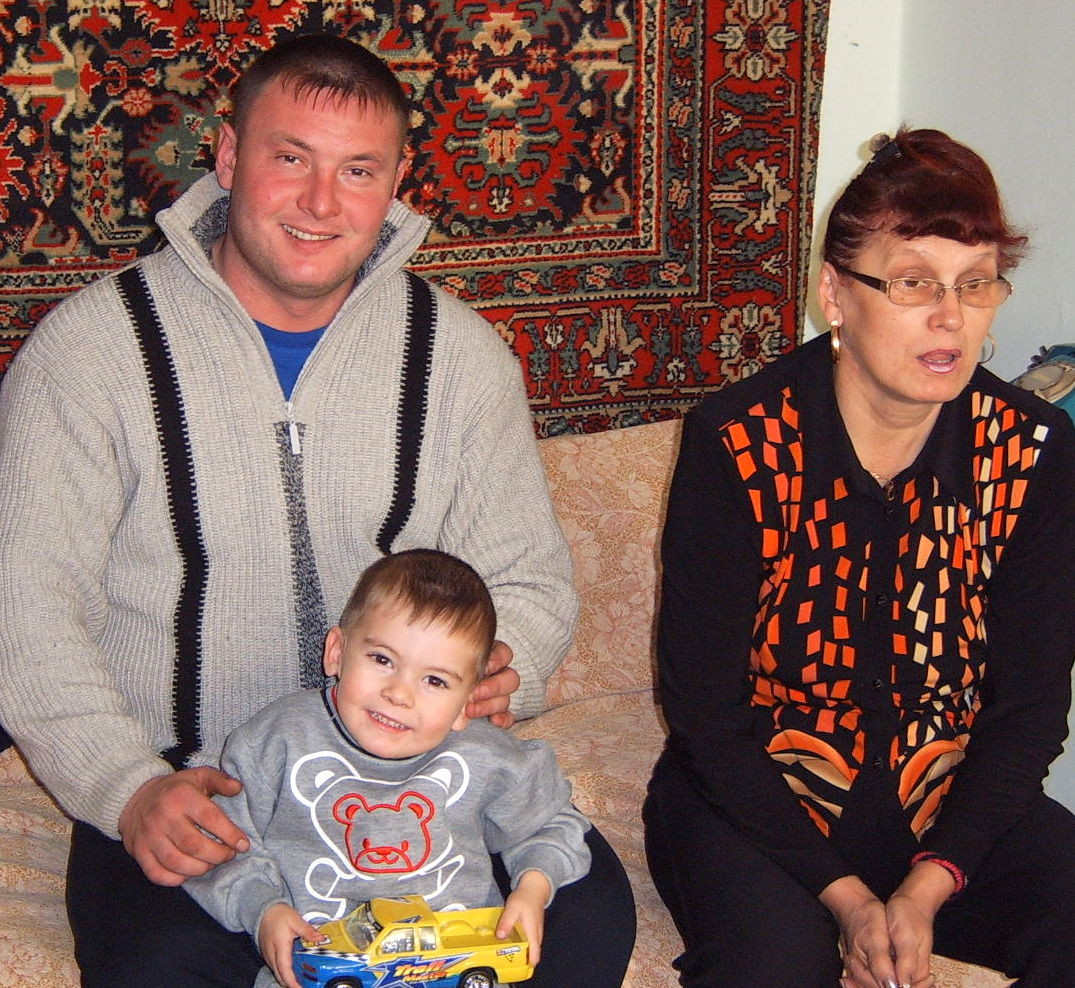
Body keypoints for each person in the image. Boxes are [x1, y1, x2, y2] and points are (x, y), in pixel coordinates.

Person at [0, 32, 634, 987]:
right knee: (160, 972)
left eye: (357, 171)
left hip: (419, 773)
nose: (320, 203)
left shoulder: (460, 358)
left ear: (396, 184)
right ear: (228, 156)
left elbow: (527, 579)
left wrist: (497, 667)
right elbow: (24, 611)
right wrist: (124, 790)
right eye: (290, 158)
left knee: (583, 923)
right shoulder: (87, 355)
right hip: (197, 782)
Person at [644, 127, 1075, 988]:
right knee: (772, 965)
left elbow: (1028, 712)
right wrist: (848, 902)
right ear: (834, 294)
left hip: (946, 804)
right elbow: (704, 715)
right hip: (757, 805)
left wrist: (928, 884)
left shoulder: (1030, 450)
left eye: (975, 282)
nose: (949, 316)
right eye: (912, 282)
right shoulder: (736, 441)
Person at [185, 549, 592, 988]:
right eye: (382, 660)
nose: (399, 693)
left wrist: (533, 887)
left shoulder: (487, 755)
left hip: (452, 971)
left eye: (435, 680)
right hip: (323, 973)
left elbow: (551, 823)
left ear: (468, 701)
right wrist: (264, 910)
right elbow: (218, 842)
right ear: (337, 652)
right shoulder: (275, 741)